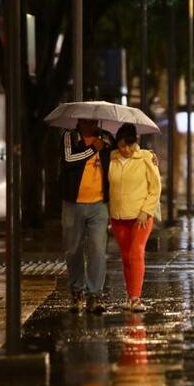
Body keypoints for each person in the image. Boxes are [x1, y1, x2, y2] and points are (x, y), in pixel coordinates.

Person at [61, 118, 114, 314]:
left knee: (98, 250)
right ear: (79, 120)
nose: (90, 123)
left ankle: (95, 294)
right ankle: (77, 291)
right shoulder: (70, 136)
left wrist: (145, 156)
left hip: (99, 205)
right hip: (73, 203)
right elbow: (68, 159)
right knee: (72, 249)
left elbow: (120, 157)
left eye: (93, 120)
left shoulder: (106, 137)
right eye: (86, 120)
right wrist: (93, 149)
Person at [108, 124, 161, 312]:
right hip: (118, 216)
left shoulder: (145, 157)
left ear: (135, 142)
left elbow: (155, 188)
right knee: (125, 257)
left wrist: (146, 211)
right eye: (122, 146)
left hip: (141, 216)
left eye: (129, 145)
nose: (126, 149)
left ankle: (137, 298)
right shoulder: (112, 158)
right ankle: (130, 297)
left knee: (135, 253)